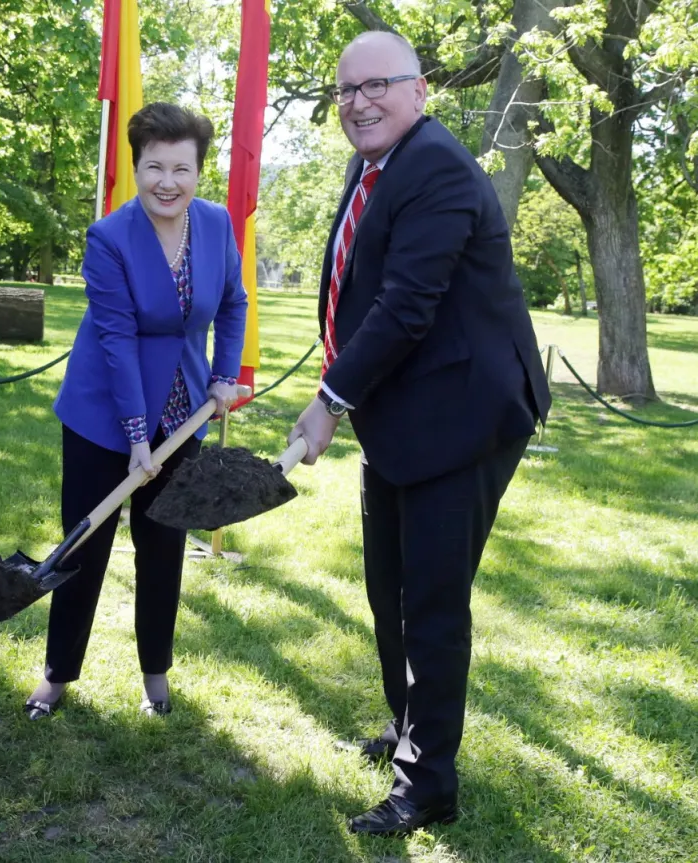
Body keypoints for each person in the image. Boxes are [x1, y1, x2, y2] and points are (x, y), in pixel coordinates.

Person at [288, 32, 551, 835]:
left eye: (377, 86)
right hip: (403, 410)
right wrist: (341, 378)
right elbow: (359, 289)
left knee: (431, 602)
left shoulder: (433, 164)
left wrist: (329, 400)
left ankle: (428, 782)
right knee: (388, 589)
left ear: (421, 91)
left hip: (464, 414)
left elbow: (406, 304)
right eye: (345, 92)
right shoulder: (374, 165)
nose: (359, 102)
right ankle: (409, 733)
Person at [27, 102, 249, 721]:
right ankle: (57, 674)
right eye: (155, 167)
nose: (167, 182)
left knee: (164, 543)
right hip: (105, 413)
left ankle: (156, 674)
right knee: (85, 544)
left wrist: (224, 376)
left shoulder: (214, 224)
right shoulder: (109, 238)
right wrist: (133, 437)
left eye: (182, 168)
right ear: (136, 167)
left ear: (199, 171)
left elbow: (233, 301)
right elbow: (118, 340)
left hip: (183, 411)